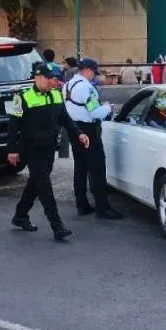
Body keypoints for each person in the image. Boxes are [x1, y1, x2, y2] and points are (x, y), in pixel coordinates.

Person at [7, 63, 89, 241]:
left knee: (36, 183)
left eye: (52, 77)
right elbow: (12, 126)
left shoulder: (56, 95)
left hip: (49, 147)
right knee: (44, 186)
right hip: (31, 148)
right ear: (37, 78)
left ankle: (20, 215)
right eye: (47, 78)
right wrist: (12, 150)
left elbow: (66, 119)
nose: (51, 81)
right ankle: (57, 225)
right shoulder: (21, 97)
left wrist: (79, 134)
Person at [64, 57, 122, 219]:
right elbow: (95, 112)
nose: (94, 77)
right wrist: (107, 107)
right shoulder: (87, 88)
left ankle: (82, 205)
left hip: (74, 130)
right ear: (88, 70)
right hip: (89, 131)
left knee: (80, 168)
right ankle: (102, 208)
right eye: (94, 73)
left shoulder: (68, 85)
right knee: (97, 169)